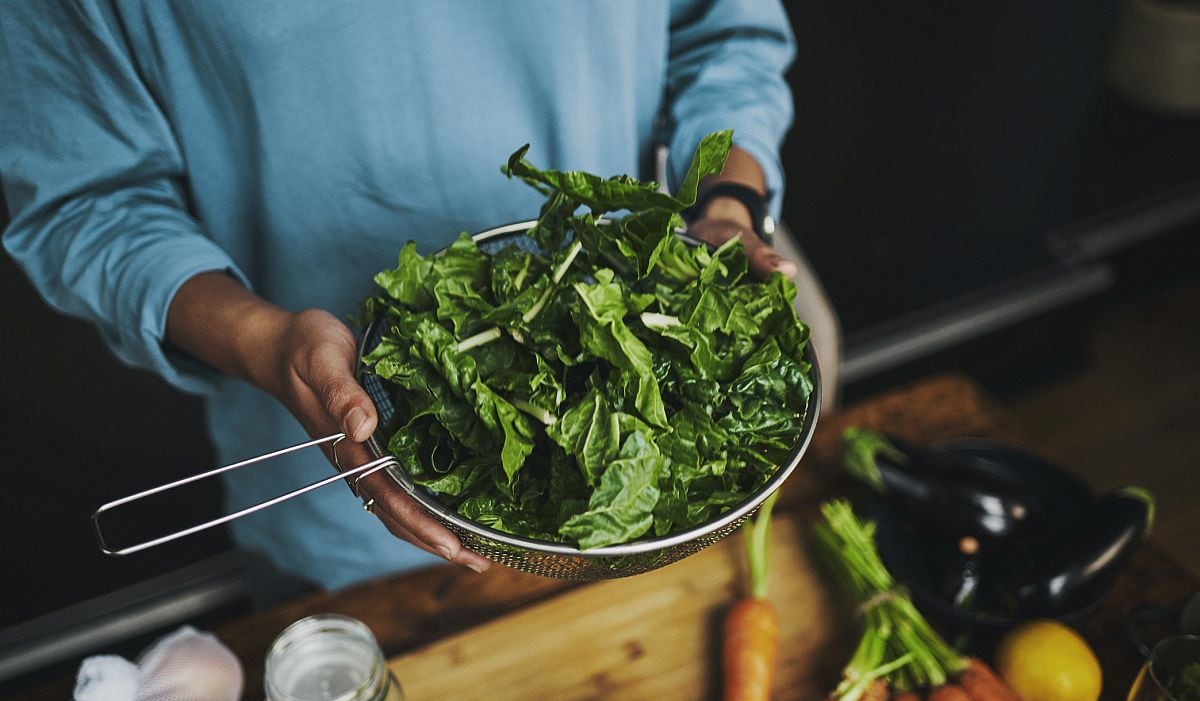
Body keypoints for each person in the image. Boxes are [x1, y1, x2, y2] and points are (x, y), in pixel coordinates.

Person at [0, 1, 838, 594]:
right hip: (334, 492)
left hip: (649, 498)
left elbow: (724, 32)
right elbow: (89, 202)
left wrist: (727, 207)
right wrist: (265, 340)